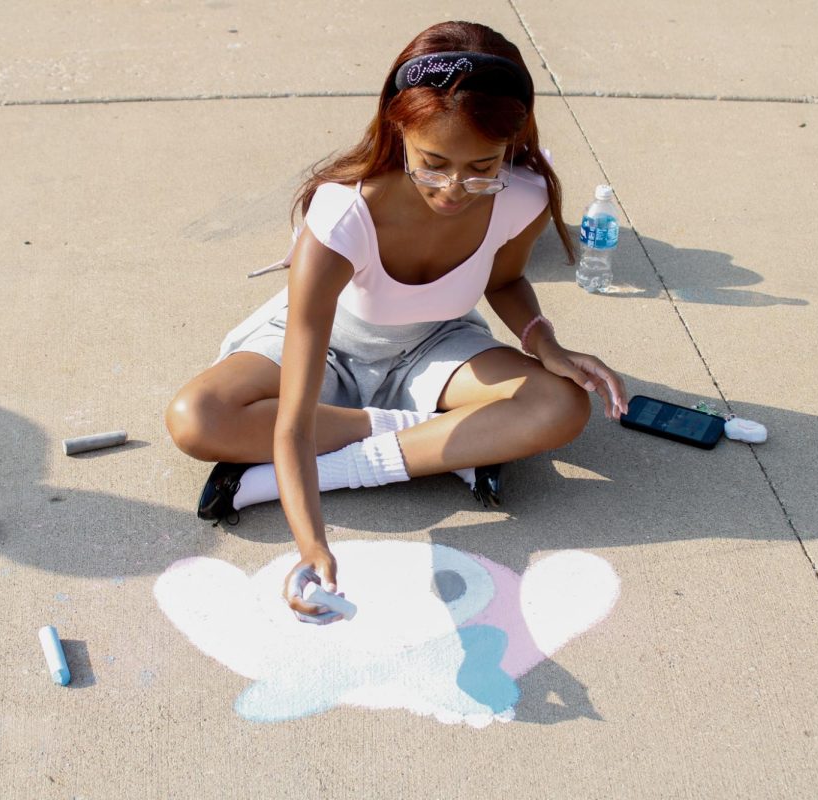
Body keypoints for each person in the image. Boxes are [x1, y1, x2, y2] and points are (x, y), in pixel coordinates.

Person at [165, 21, 628, 623]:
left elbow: (504, 279)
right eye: (433, 163)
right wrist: (312, 545)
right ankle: (443, 438)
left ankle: (372, 458)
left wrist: (545, 343)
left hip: (435, 343)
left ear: (512, 143)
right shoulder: (342, 215)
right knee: (195, 419)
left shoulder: (523, 193)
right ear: (397, 125)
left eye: (482, 166)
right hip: (326, 343)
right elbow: (295, 424)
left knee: (562, 406)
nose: (457, 189)